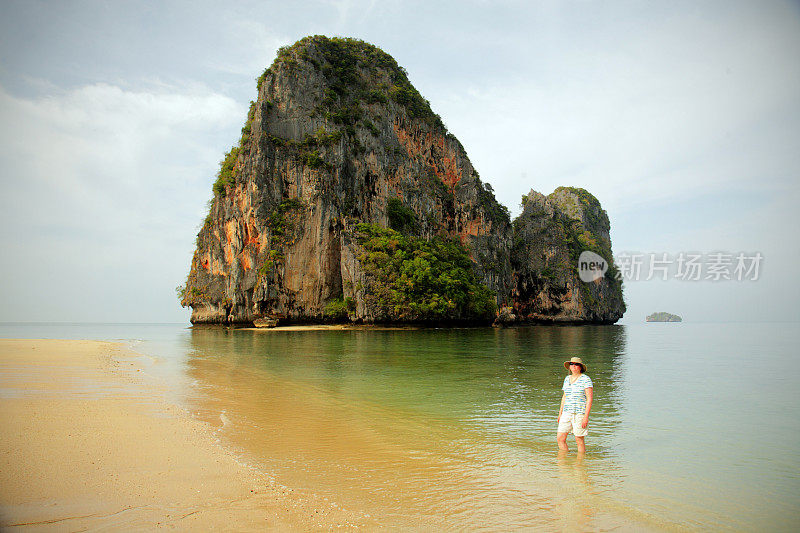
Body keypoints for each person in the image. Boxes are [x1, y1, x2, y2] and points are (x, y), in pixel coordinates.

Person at [557, 357, 593, 453]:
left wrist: (586, 417)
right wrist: (560, 414)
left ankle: (580, 464)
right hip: (566, 412)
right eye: (572, 364)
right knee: (560, 438)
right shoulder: (567, 379)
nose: (573, 366)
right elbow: (564, 397)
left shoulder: (586, 379)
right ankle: (564, 462)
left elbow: (589, 399)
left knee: (579, 440)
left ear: (580, 367)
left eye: (576, 364)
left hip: (579, 413)